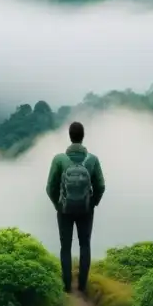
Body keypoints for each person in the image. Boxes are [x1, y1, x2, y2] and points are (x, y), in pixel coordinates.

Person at [45, 120, 105, 293]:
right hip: (86, 210)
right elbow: (100, 186)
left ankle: (66, 286)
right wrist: (92, 203)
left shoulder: (59, 160)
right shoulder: (92, 160)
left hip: (64, 210)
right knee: (85, 244)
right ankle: (82, 286)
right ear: (82, 137)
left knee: (65, 246)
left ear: (70, 137)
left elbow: (50, 187)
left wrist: (59, 205)